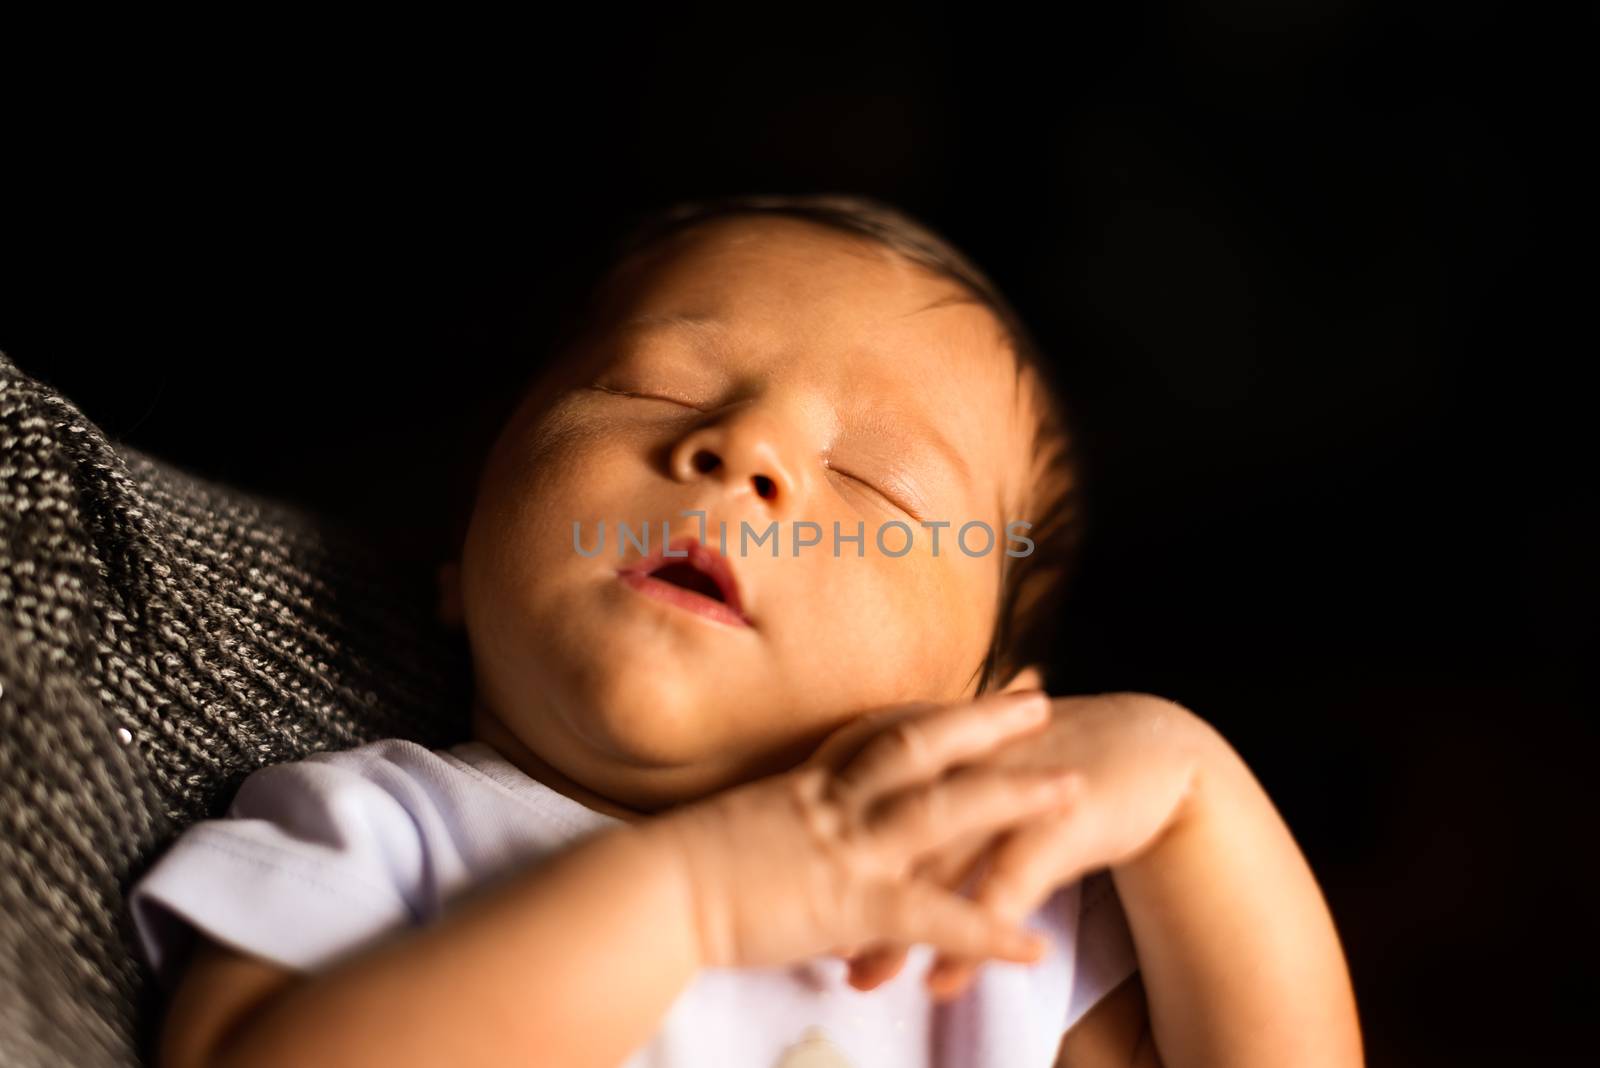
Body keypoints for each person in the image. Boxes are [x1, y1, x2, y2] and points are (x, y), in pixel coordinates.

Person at [127, 194, 1364, 1067]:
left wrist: (1199, 793)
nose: (743, 453)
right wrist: (686, 903)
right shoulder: (378, 833)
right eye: (654, 387)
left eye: (880, 482)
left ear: (986, 711)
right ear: (460, 556)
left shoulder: (995, 931)